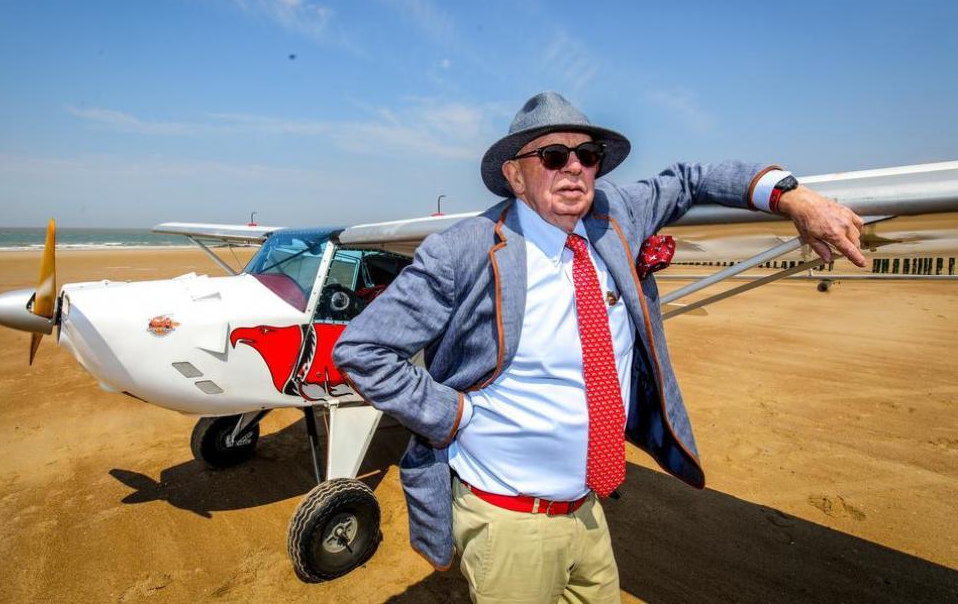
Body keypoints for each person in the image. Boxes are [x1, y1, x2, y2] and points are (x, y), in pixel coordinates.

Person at [333, 92, 865, 603]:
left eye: (587, 156)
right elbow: (363, 350)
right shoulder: (463, 250)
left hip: (589, 512)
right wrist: (452, 413)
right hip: (509, 524)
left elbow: (691, 179)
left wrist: (795, 196)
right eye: (552, 155)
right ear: (515, 176)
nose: (574, 169)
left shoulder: (616, 215)